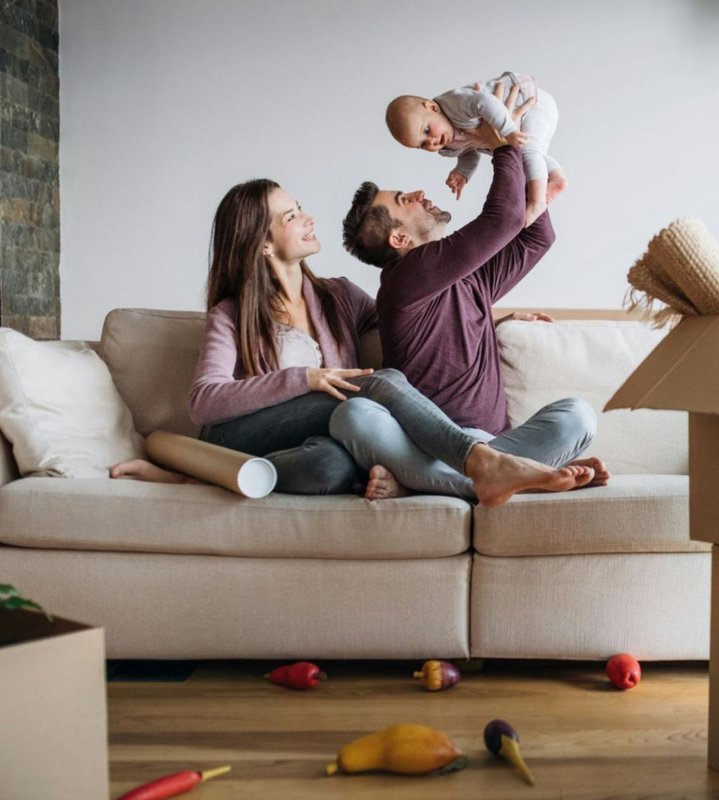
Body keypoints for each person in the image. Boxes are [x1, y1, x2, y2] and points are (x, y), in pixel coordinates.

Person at [113, 175, 594, 505]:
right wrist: (305, 379)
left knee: (332, 466)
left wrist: (495, 322)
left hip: (318, 442)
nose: (307, 218)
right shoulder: (231, 314)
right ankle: (483, 463)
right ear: (262, 244)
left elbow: (414, 322)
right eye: (290, 216)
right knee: (377, 385)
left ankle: (211, 480)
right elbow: (203, 402)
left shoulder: (339, 296)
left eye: (300, 208)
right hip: (241, 435)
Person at [340, 81, 608, 502]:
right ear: (399, 240)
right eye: (404, 200)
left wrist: (516, 143)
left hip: (496, 444)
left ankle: (440, 481)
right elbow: (504, 220)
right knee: (355, 414)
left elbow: (537, 237)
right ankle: (511, 474)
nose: (419, 194)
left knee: (579, 415)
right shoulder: (404, 279)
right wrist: (500, 142)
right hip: (429, 446)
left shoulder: (470, 279)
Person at [385, 70, 565, 228]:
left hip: (529, 102)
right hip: (518, 122)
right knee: (530, 155)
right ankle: (556, 177)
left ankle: (537, 202)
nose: (431, 141)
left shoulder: (454, 104)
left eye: (426, 130)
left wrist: (509, 130)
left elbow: (485, 101)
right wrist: (463, 172)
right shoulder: (447, 147)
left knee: (528, 151)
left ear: (432, 107)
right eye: (422, 144)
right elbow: (469, 152)